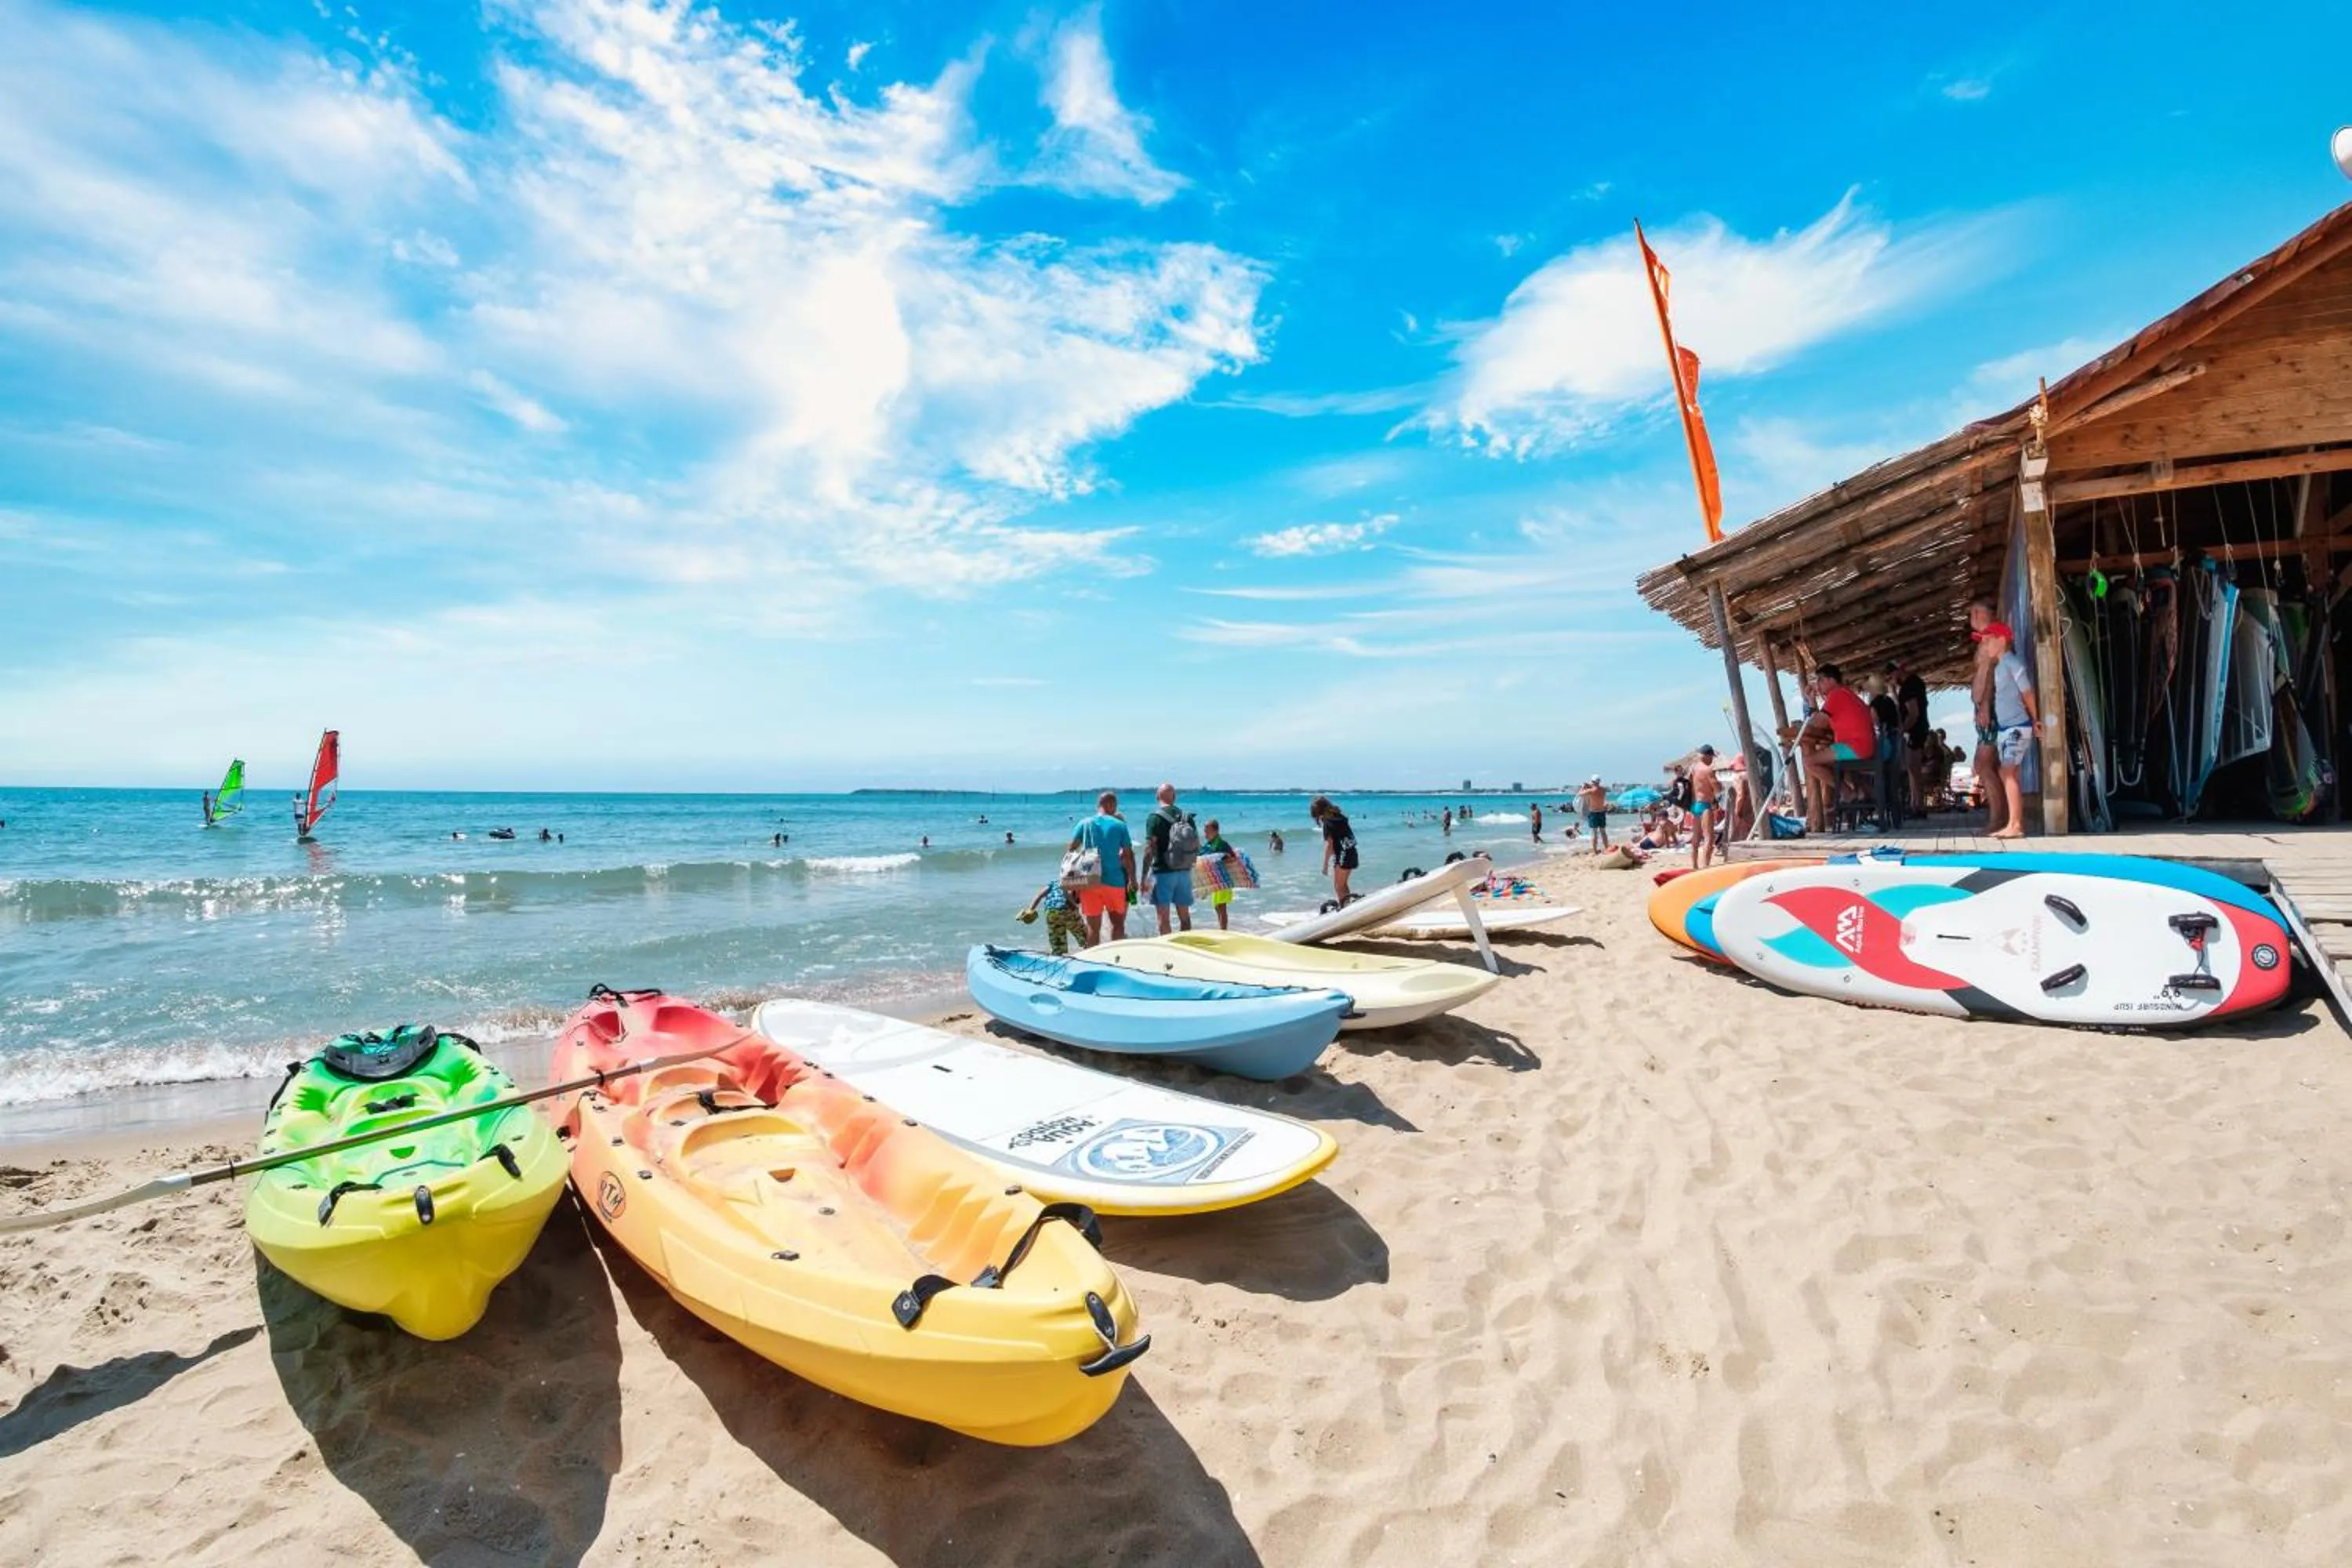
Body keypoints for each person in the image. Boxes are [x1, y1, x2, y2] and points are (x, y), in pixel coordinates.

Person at [1798, 663, 1876, 833]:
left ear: (1831, 680)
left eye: (1820, 680)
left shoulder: (1837, 695)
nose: (1818, 685)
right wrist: (1814, 700)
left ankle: (1847, 794)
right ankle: (1855, 794)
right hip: (1864, 747)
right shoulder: (1846, 694)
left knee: (1809, 761)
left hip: (1855, 747)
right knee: (1828, 762)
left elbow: (1818, 723)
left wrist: (1811, 701)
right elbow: (1823, 720)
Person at [1981, 622, 2041, 839]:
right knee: (2008, 772)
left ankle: (2015, 825)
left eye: (1988, 640)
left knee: (2007, 772)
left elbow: (2027, 691)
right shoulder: (2000, 666)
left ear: (2002, 640)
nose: (1985, 645)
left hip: (2017, 726)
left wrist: (2035, 719)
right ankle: (2015, 822)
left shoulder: (2012, 662)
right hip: (2007, 727)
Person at [1067, 791, 1137, 943]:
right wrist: (1132, 879)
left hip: (1090, 881)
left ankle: (1094, 956)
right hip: (1115, 881)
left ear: (1099, 805)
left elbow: (1071, 850)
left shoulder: (1084, 823)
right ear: (1112, 805)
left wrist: (1072, 881)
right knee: (1118, 925)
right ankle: (1116, 955)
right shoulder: (1120, 825)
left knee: (1093, 929)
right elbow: (1127, 856)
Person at [1966, 599, 2009, 836]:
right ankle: (1999, 816)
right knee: (1989, 765)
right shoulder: (1985, 639)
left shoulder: (1990, 639)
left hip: (1990, 706)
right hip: (1987, 706)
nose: (1972, 617)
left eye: (1976, 612)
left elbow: (1989, 675)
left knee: (1984, 764)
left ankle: (1997, 819)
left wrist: (1984, 707)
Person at [1141, 783, 1201, 935]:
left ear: (1157, 797)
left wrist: (1143, 877)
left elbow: (1149, 849)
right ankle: (1185, 944)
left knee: (1163, 918)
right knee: (1185, 916)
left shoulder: (1154, 818)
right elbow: (1196, 845)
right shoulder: (1187, 817)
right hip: (1184, 872)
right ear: (1174, 797)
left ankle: (1166, 947)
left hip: (1163, 872)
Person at [1892, 657, 1931, 813]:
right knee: (1912, 768)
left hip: (1915, 731)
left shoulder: (1909, 686)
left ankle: (1918, 805)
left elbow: (1913, 713)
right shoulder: (1914, 684)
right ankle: (1915, 804)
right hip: (1919, 729)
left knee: (1914, 769)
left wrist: (1902, 730)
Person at [1308, 795, 1359, 905]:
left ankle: (1346, 908)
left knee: (1339, 886)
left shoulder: (1328, 822)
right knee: (1343, 884)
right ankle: (1348, 906)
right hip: (1352, 851)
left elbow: (1330, 845)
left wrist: (1325, 865)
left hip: (1343, 855)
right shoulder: (1339, 815)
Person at [1018, 877, 1087, 956]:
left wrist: (1030, 910)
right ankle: (1090, 951)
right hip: (1066, 909)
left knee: (1057, 940)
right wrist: (1075, 905)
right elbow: (1070, 894)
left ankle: (1058, 955)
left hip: (1051, 911)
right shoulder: (1076, 882)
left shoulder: (1054, 883)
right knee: (1083, 934)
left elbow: (1039, 895)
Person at [1200, 818, 1241, 930]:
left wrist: (1227, 860)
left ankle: (1223, 930)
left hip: (1223, 879)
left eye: (1208, 831)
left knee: (1221, 906)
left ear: (1216, 831)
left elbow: (1234, 858)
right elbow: (1201, 855)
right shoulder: (1209, 844)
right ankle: (1222, 928)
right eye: (1205, 831)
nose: (1205, 834)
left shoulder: (1222, 844)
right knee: (1217, 906)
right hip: (1215, 879)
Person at [1690, 745, 1721, 869]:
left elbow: (1693, 788)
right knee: (1709, 837)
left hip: (1696, 804)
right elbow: (1717, 789)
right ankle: (1705, 866)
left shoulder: (1694, 769)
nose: (1712, 760)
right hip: (1705, 805)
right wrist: (1719, 784)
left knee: (1696, 837)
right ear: (1708, 756)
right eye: (1712, 757)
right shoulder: (1708, 770)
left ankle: (1694, 865)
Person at [1577, 775, 1610, 853]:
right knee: (1603, 832)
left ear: (1593, 782)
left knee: (1594, 833)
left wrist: (1583, 787)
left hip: (1593, 813)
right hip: (1602, 812)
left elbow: (1580, 794)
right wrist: (1590, 785)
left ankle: (1595, 851)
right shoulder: (1603, 790)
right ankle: (1606, 848)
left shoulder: (1591, 791)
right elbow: (1597, 787)